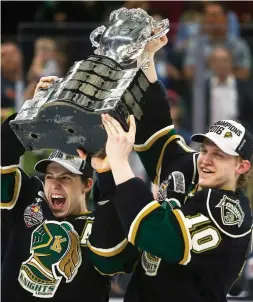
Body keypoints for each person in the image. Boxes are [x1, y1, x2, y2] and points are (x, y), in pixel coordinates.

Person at [87, 35, 253, 302]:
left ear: (241, 166)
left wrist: (120, 162)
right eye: (205, 150)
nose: (206, 160)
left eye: (219, 155)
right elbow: (157, 128)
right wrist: (146, 58)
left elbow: (157, 234)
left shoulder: (230, 212)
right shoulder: (191, 169)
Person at [1, 78, 138, 302]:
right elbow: (3, 150)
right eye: (49, 177)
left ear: (87, 185)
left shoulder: (100, 222)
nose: (55, 184)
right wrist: (33, 111)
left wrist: (106, 172)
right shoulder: (28, 201)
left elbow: (112, 258)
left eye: (65, 177)